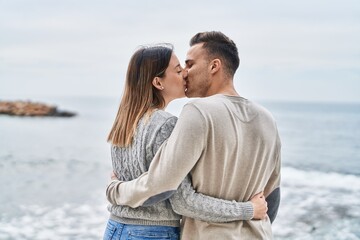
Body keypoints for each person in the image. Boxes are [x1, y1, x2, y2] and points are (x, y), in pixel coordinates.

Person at [103, 44, 269, 240]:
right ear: (158, 82)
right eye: (178, 70)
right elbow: (184, 201)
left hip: (115, 228)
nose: (185, 74)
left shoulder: (124, 123)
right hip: (151, 233)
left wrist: (114, 190)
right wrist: (248, 210)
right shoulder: (166, 125)